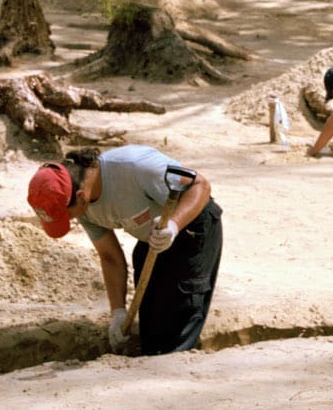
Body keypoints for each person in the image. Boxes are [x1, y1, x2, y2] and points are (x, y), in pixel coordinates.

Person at [27, 145, 222, 355]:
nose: (73, 220)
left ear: (81, 197)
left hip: (191, 228)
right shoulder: (80, 203)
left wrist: (174, 224)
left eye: (69, 216)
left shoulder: (134, 168)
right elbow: (110, 257)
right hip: (151, 240)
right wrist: (118, 312)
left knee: (177, 325)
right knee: (151, 327)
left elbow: (200, 185)